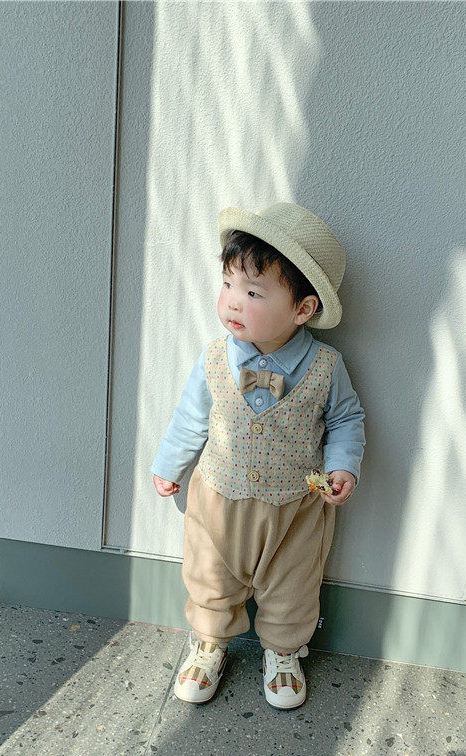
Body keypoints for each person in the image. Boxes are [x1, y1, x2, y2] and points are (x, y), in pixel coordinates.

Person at [150, 201, 366, 710]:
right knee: (210, 577)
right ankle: (209, 642)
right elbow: (190, 416)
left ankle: (285, 651)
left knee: (293, 585)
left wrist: (343, 466)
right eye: (228, 284)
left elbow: (345, 419)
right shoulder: (213, 358)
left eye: (252, 292)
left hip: (294, 509)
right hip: (217, 500)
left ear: (302, 309)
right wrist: (169, 464)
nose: (232, 302)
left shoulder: (325, 366)